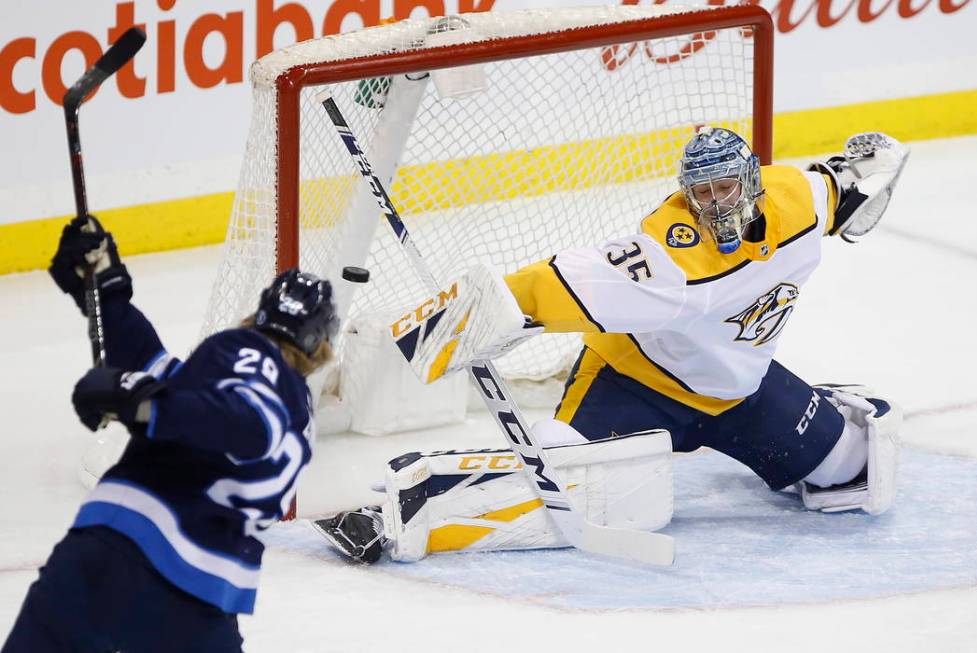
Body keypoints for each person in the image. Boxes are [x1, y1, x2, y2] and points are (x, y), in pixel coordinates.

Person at [315, 127, 908, 565]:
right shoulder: (669, 257)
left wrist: (866, 171)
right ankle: (399, 512)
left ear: (752, 182)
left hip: (740, 394)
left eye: (725, 188)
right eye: (699, 193)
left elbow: (845, 181)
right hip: (634, 385)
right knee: (563, 485)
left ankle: (817, 407)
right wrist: (457, 322)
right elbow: (555, 282)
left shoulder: (797, 201)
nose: (713, 205)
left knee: (852, 473)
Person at [2, 218, 338, 652]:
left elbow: (240, 421)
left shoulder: (249, 355)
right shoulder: (294, 411)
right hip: (199, 601)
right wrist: (104, 290)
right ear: (319, 348)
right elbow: (158, 368)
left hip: (108, 552)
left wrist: (144, 403)